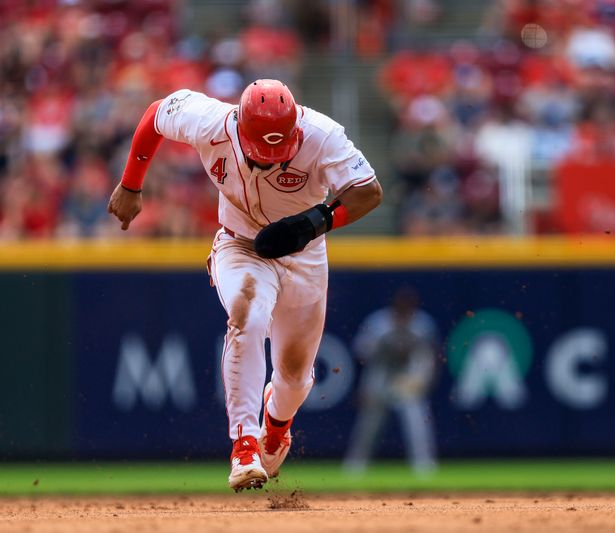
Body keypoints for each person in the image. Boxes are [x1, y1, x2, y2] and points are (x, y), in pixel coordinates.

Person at [107, 79, 382, 491]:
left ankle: (276, 427)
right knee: (246, 317)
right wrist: (131, 183)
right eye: (262, 151)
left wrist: (315, 221)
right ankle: (245, 445)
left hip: (304, 255)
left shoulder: (322, 134)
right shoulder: (209, 121)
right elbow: (155, 115)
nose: (271, 159)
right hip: (240, 244)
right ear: (240, 127)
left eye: (280, 149)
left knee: (295, 377)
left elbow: (369, 192)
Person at [344, 287, 438, 474]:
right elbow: (361, 355)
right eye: (401, 306)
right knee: (369, 426)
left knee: (416, 422)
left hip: (406, 378)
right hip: (380, 375)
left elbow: (430, 358)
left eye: (408, 306)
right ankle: (355, 466)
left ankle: (424, 467)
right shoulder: (378, 323)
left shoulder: (422, 324)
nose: (404, 310)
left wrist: (422, 381)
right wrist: (362, 387)